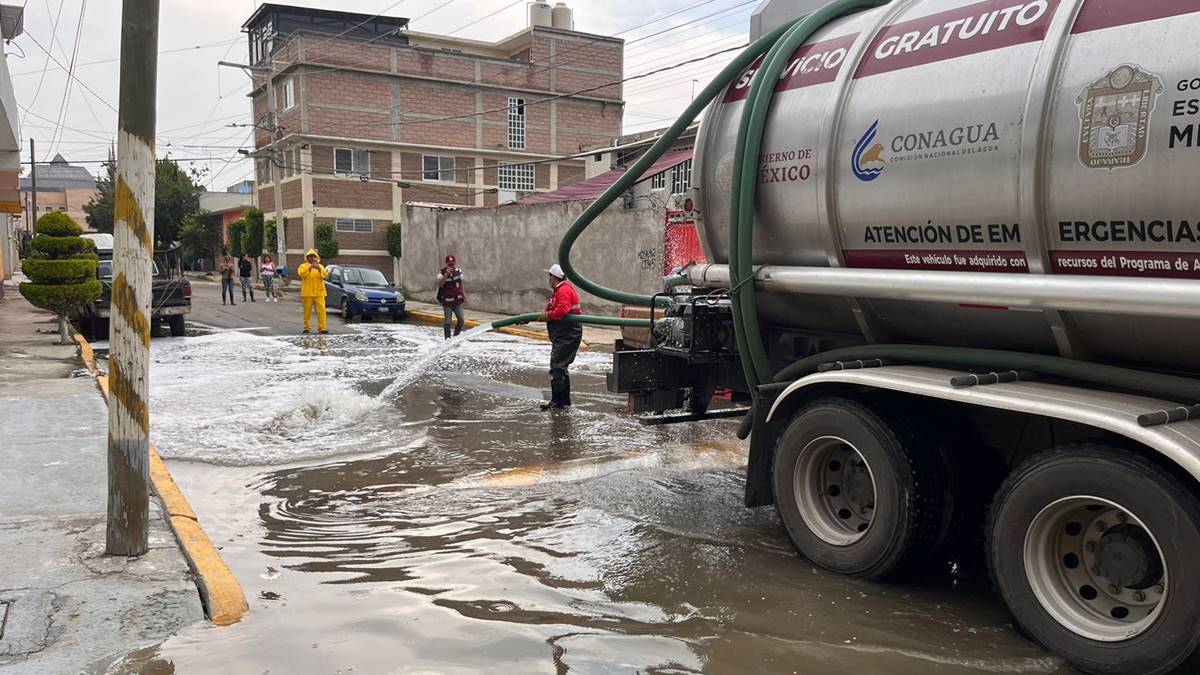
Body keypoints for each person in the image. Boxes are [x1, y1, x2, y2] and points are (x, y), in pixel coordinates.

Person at [539, 263, 583, 410]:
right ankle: (563, 401)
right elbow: (554, 307)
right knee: (561, 367)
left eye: (549, 276)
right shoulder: (560, 290)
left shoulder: (563, 290)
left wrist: (548, 316)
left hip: (568, 333)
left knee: (557, 367)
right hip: (565, 333)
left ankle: (558, 402)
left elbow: (562, 310)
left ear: (553, 277)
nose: (549, 279)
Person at [297, 249, 329, 334]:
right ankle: (307, 327)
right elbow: (301, 274)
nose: (311, 258)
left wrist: (319, 269)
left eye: (313, 257)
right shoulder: (303, 266)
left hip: (319, 292)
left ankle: (322, 327)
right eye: (310, 257)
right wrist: (310, 267)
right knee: (307, 312)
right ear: (307, 258)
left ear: (316, 258)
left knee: (321, 311)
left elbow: (325, 275)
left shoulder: (320, 266)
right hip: (307, 293)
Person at [436, 254, 466, 339]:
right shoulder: (441, 272)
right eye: (449, 264)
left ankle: (456, 336)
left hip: (457, 300)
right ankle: (447, 339)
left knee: (461, 320)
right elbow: (439, 284)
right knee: (448, 322)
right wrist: (446, 275)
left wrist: (464, 296)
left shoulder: (459, 271)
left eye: (452, 263)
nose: (451, 265)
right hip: (447, 301)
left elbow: (461, 285)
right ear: (446, 263)